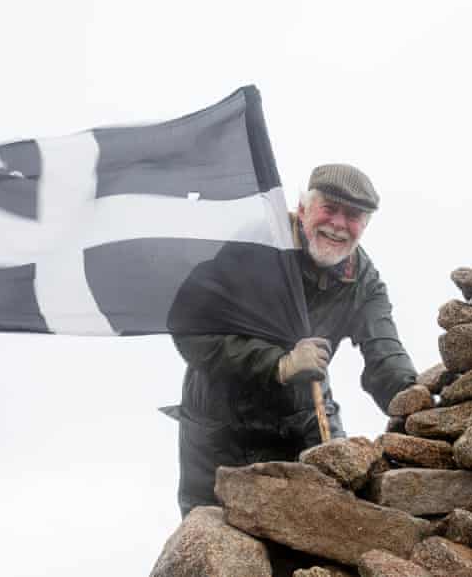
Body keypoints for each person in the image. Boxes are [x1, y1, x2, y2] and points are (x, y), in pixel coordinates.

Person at [171, 163, 417, 517]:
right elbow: (192, 327)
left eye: (353, 216)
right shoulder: (255, 246)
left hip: (303, 413)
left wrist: (415, 403)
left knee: (329, 526)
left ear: (365, 225)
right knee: (214, 538)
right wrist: (278, 364)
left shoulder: (363, 280)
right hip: (221, 419)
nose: (338, 224)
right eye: (329, 209)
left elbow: (385, 353)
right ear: (303, 209)